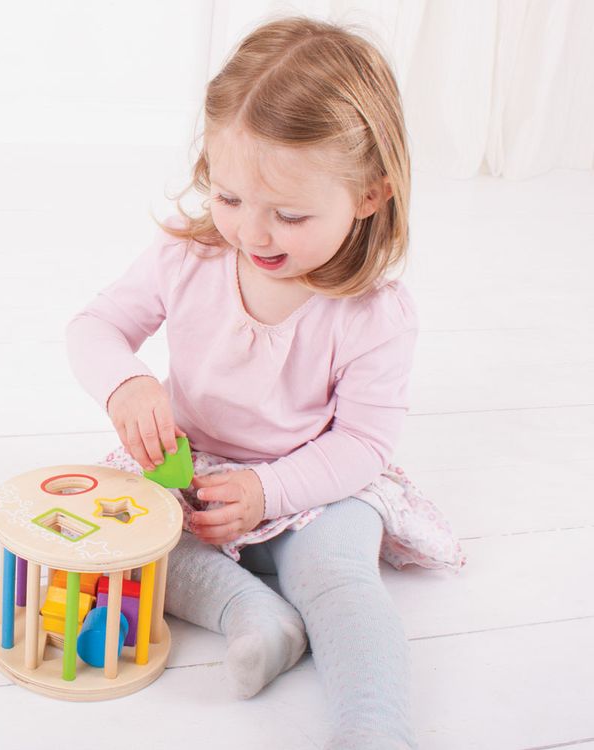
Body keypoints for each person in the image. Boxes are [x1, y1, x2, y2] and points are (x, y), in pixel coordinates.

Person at [67, 16, 464, 750]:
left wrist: (269, 491)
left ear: (370, 195)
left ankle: (374, 729)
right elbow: (95, 327)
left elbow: (362, 444)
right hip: (194, 469)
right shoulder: (186, 258)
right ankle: (253, 615)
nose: (252, 233)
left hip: (316, 483)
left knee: (337, 579)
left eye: (288, 214)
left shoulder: (373, 314)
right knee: (132, 540)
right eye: (228, 198)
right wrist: (127, 385)